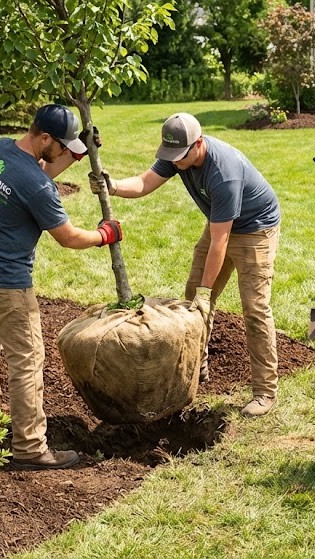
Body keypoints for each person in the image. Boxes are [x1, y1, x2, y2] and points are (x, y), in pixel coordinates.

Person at [0, 104, 123, 470]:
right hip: (5, 284)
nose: (64, 151)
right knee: (27, 359)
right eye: (62, 145)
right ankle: (30, 448)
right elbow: (67, 237)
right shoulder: (36, 186)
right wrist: (103, 234)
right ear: (45, 138)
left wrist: (78, 151)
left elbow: (40, 174)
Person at [89, 112, 282, 417]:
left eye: (180, 156)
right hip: (220, 222)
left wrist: (208, 291)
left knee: (255, 309)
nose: (175, 162)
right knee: (193, 297)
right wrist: (111, 186)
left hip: (255, 229)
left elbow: (221, 241)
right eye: (171, 156)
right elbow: (143, 182)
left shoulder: (223, 173)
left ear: (199, 144)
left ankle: (265, 391)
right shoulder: (178, 152)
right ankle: (198, 365)